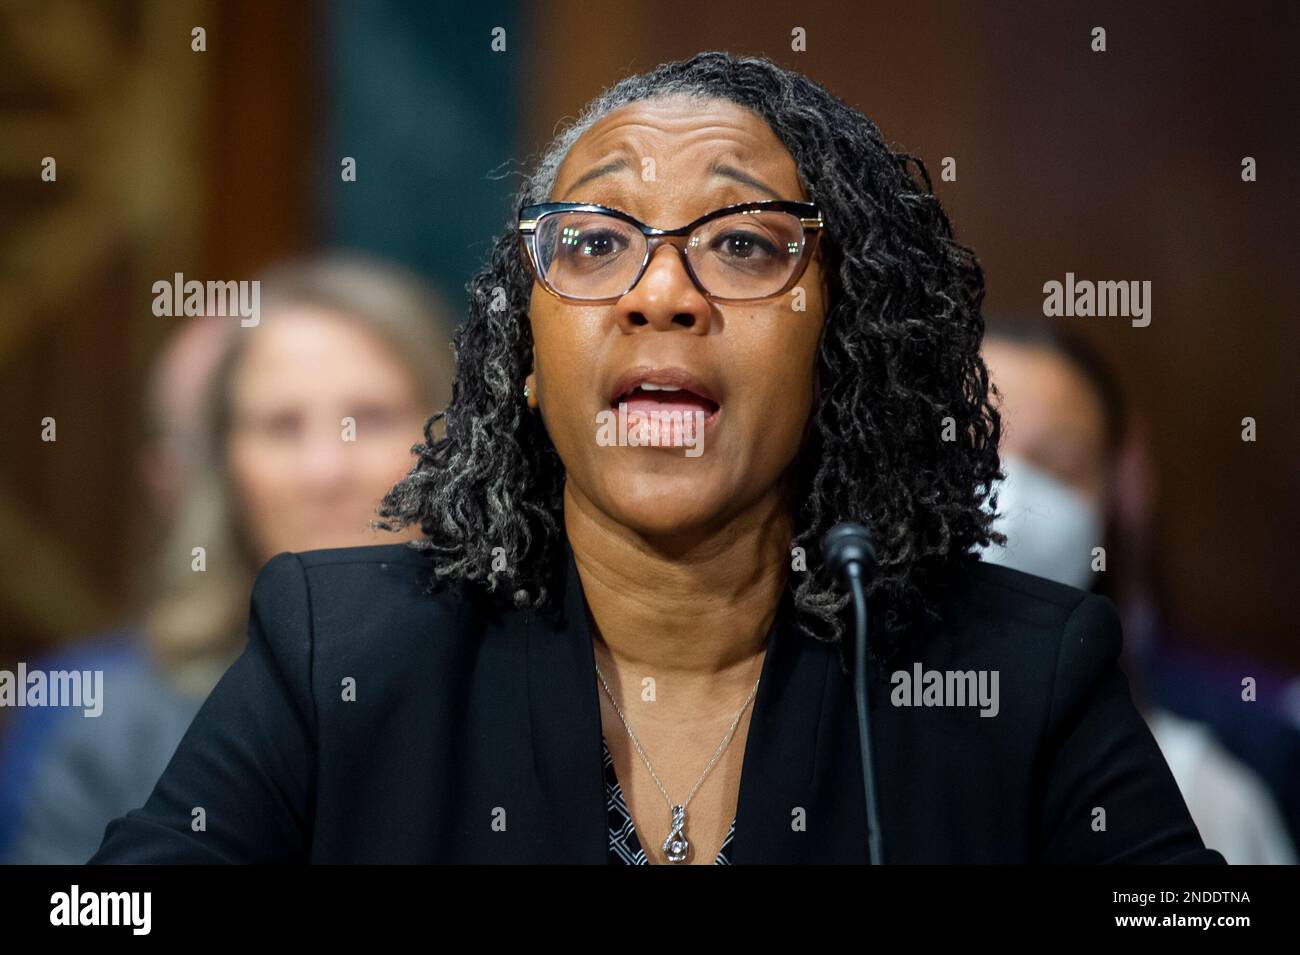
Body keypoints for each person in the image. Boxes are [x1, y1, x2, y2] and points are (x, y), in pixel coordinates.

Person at [89, 52, 1223, 864]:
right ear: (525, 353)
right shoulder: (340, 648)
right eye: (593, 242)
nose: (659, 293)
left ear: (847, 339)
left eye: (739, 243)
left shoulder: (1021, 674)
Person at [0, 253, 454, 864]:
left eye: (369, 419)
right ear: (224, 470)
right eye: (280, 426)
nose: (325, 470)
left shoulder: (559, 682)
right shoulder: (108, 726)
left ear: (456, 442)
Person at [979, 315, 1296, 864]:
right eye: (976, 450)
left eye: (1057, 464)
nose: (1008, 496)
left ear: (1119, 491)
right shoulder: (830, 746)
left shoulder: (1196, 794)